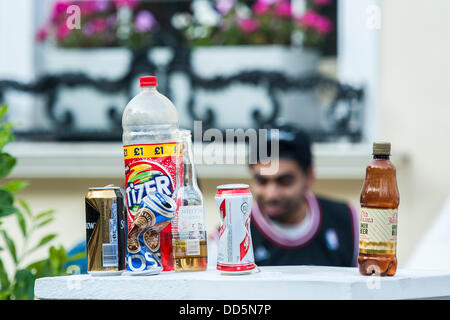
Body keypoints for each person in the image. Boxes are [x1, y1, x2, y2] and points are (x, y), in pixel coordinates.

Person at [248, 125, 359, 267]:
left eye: (285, 181)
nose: (272, 195)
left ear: (309, 177)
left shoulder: (347, 221)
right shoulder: (231, 236)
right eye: (262, 181)